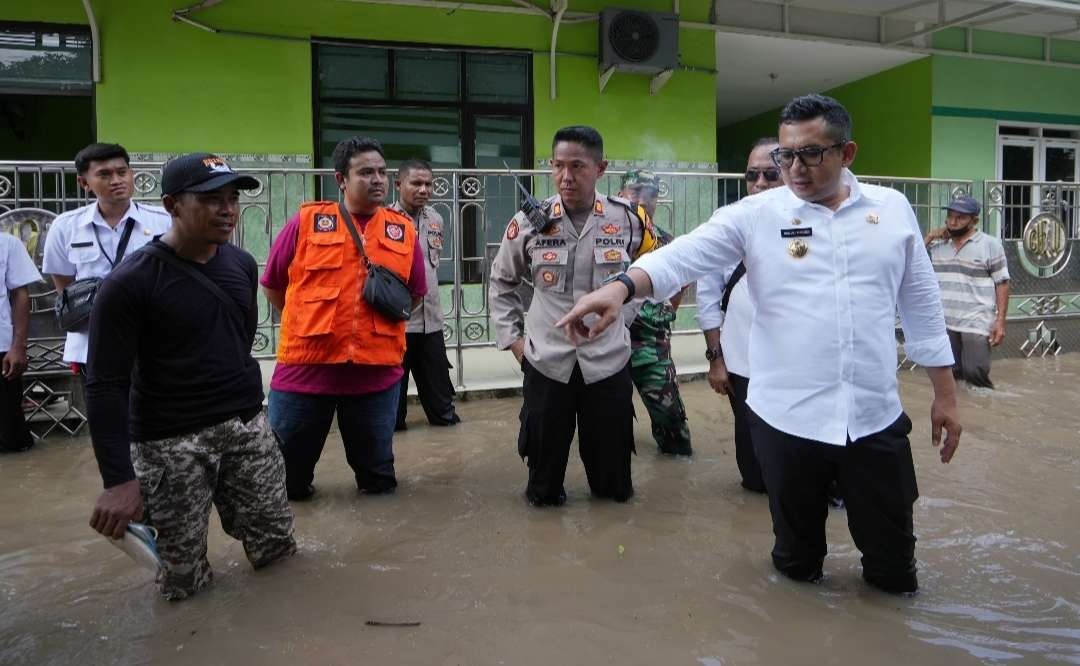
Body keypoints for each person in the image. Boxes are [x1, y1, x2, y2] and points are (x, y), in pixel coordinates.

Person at [556, 95, 962, 594]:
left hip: (873, 420)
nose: (795, 168)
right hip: (787, 422)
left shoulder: (891, 210)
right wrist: (619, 288)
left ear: (847, 152)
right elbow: (681, 258)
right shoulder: (755, 215)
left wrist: (944, 395)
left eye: (811, 154)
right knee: (796, 566)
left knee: (895, 568)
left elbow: (922, 306)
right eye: (785, 156)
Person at [85, 153, 296, 601]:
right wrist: (118, 480)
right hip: (169, 444)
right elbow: (105, 385)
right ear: (172, 205)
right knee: (183, 580)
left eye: (232, 199)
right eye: (211, 199)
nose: (227, 210)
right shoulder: (129, 283)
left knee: (278, 552)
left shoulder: (240, 265)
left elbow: (237, 341)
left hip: (245, 431)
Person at [489, 125, 648, 507]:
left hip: (607, 363)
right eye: (558, 166)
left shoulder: (627, 219)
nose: (565, 176)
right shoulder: (529, 221)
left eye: (577, 166)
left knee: (613, 488)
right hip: (546, 362)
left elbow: (644, 275)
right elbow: (500, 282)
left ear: (600, 168)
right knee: (542, 487)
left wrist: (620, 322)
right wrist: (514, 344)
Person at [262, 137, 426, 501]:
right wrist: (305, 323)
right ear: (341, 179)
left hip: (375, 376)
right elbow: (274, 284)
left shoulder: (403, 231)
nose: (378, 180)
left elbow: (414, 295)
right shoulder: (307, 221)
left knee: (378, 482)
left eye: (383, 172)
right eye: (366, 172)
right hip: (304, 373)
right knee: (285, 485)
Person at [697, 138, 782, 492]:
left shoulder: (814, 225)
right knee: (753, 464)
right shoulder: (726, 225)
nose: (759, 183)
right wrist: (717, 360)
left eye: (770, 175)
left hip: (793, 366)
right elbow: (706, 297)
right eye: (752, 175)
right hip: (742, 364)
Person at [42, 143, 171, 376]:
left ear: (131, 175)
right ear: (84, 183)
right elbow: (65, 287)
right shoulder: (66, 227)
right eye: (104, 174)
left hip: (153, 343)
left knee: (154, 412)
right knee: (103, 411)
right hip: (92, 345)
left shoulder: (163, 222)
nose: (116, 180)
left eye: (122, 172)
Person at [618, 169, 691, 456]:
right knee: (609, 425)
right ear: (620, 194)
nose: (643, 199)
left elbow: (680, 284)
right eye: (635, 191)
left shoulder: (666, 242)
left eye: (651, 194)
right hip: (609, 343)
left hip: (651, 346)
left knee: (673, 422)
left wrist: (661, 314)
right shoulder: (606, 237)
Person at [390, 159, 461, 430]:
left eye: (428, 184)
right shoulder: (384, 221)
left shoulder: (436, 220)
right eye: (416, 183)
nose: (423, 189)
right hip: (396, 324)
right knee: (392, 416)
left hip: (430, 323)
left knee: (444, 413)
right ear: (398, 184)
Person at [924, 196, 1010, 389]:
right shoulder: (938, 247)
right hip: (946, 320)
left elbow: (1002, 283)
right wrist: (930, 236)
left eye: (960, 218)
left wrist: (1000, 321)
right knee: (951, 375)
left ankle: (987, 411)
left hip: (976, 320)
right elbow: (911, 263)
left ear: (974, 221)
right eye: (950, 216)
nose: (953, 222)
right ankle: (962, 413)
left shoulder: (990, 245)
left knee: (975, 374)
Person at [0, 231, 42, 452]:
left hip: (1, 348)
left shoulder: (7, 244)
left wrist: (18, 346)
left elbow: (20, 294)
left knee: (10, 437)